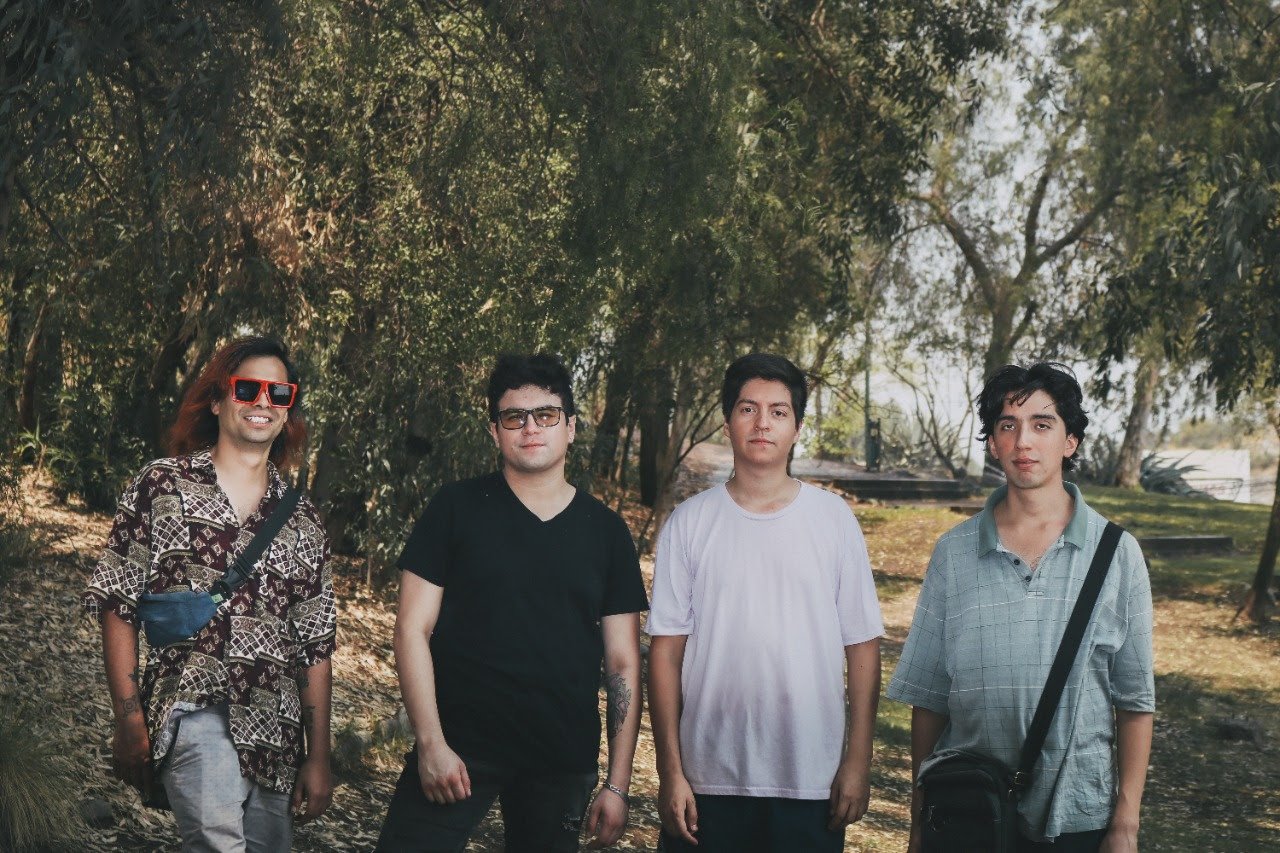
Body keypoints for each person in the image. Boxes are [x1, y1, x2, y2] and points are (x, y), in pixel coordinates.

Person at [375, 353, 648, 853]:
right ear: (494, 431)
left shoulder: (607, 533)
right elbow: (412, 629)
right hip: (458, 749)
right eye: (513, 417)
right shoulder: (455, 507)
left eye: (545, 414)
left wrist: (617, 783)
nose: (530, 427)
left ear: (571, 427)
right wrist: (430, 743)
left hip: (561, 760)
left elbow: (623, 663)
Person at [887, 362, 1155, 853]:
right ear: (993, 443)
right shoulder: (953, 552)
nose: (1023, 441)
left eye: (1042, 424)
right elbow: (929, 699)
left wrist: (1125, 824)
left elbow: (1135, 701)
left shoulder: (1117, 553)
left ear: (1070, 441)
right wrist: (919, 819)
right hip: (966, 808)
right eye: (1007, 425)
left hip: (1076, 816)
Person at [83, 335, 337, 851]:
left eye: (279, 393)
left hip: (276, 733)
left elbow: (315, 646)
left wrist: (318, 757)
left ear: (288, 412)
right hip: (194, 709)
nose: (263, 401)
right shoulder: (162, 486)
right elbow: (116, 602)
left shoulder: (304, 521)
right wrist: (129, 719)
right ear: (218, 400)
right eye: (247, 388)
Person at [647, 352, 885, 853]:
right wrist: (670, 771)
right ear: (728, 422)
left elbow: (862, 647)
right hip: (707, 780)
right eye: (747, 409)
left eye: (778, 411)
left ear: (797, 428)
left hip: (810, 781)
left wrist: (857, 761)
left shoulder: (834, 520)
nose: (762, 423)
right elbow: (665, 655)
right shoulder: (689, 523)